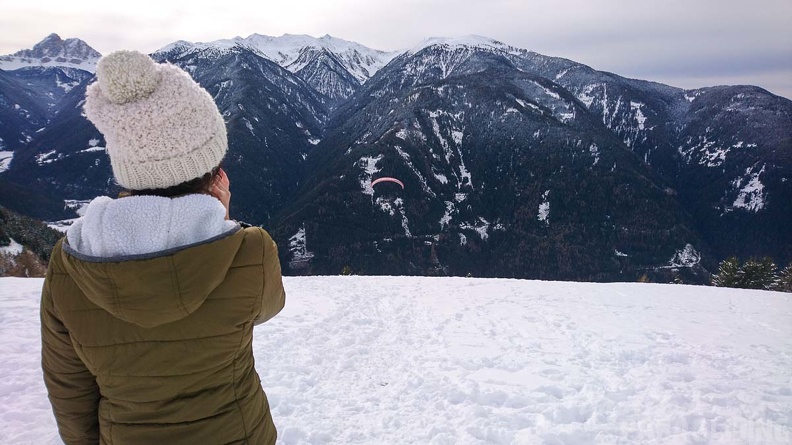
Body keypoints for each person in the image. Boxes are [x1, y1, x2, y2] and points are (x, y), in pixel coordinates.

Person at [40, 50, 285, 444]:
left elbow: (69, 388)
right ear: (212, 175)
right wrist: (219, 224)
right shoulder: (251, 252)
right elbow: (267, 307)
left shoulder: (71, 265)